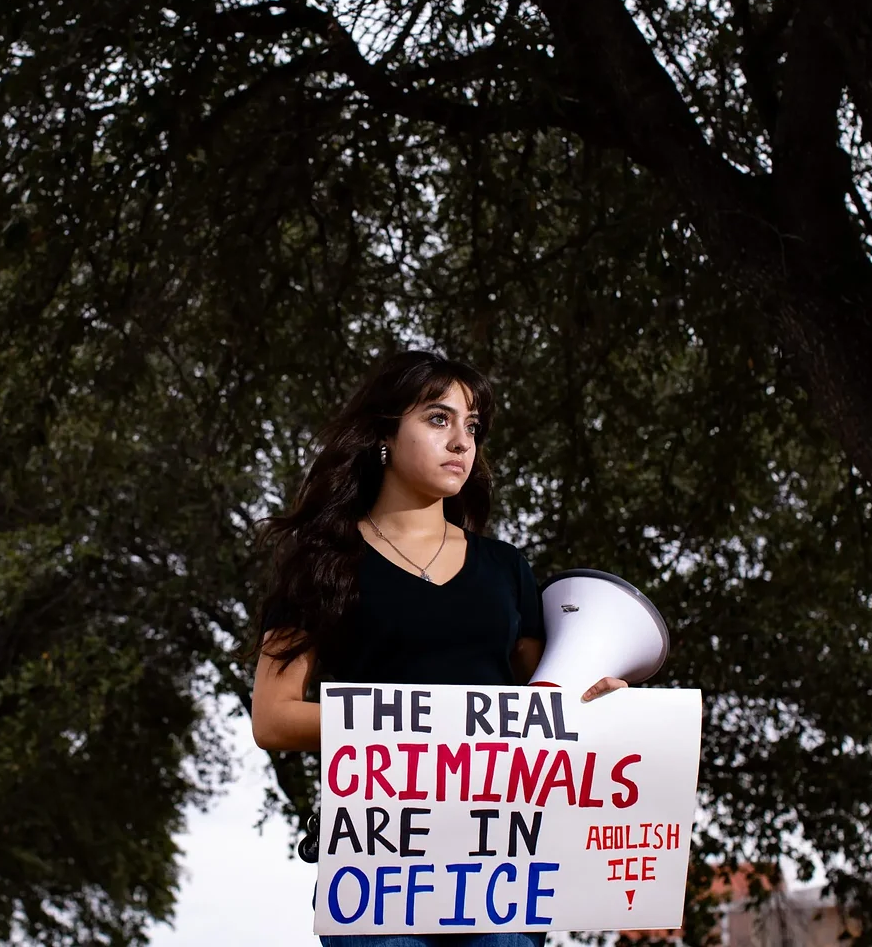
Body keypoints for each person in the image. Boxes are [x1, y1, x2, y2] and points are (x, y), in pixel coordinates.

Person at [249, 349, 627, 947]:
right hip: (375, 866)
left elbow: (543, 704)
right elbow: (273, 717)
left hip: (501, 857)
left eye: (472, 427)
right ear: (384, 435)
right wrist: (419, 725)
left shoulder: (506, 568)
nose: (461, 442)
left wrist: (600, 702)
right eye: (437, 419)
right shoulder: (320, 564)